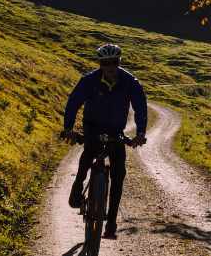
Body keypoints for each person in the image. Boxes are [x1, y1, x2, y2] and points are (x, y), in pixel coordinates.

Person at [61, 43, 148, 240]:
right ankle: (77, 187)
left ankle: (111, 224)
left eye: (114, 62)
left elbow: (140, 106)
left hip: (115, 130)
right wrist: (68, 128)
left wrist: (140, 132)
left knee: (119, 174)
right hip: (92, 126)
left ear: (119, 62)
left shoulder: (130, 82)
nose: (110, 67)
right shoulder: (89, 81)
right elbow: (73, 102)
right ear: (100, 63)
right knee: (88, 154)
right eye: (105, 63)